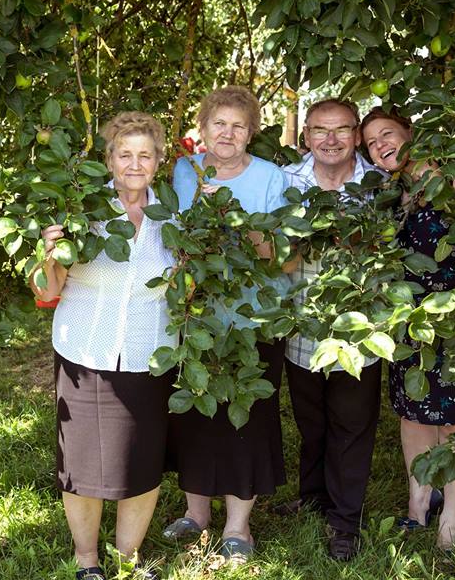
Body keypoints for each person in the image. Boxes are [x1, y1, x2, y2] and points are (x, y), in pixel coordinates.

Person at [31, 112, 176, 580]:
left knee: (143, 458)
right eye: (124, 154)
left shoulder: (171, 218)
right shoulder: (84, 214)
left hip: (149, 351)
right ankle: (87, 560)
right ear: (109, 160)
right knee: (82, 462)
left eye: (145, 155)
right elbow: (47, 290)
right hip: (85, 350)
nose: (135, 164)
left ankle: (128, 560)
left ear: (158, 162)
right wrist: (49, 254)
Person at [361, 106, 455, 551]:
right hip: (411, 318)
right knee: (413, 413)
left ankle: (453, 516)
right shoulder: (395, 188)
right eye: (370, 143)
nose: (380, 145)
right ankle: (418, 502)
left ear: (410, 133)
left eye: (386, 133)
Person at [163, 86, 289, 561]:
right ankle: (196, 514)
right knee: (194, 414)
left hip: (253, 319)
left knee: (248, 420)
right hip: (194, 315)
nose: (228, 133)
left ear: (251, 133)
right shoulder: (182, 171)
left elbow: (276, 254)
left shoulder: (271, 178)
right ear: (203, 129)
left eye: (238, 126)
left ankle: (238, 525)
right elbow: (171, 238)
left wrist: (231, 217)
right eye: (219, 124)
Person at [279, 98, 386, 562]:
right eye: (320, 130)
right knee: (312, 422)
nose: (330, 139)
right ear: (306, 136)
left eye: (341, 129)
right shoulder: (287, 183)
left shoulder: (378, 186)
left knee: (351, 426)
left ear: (357, 135)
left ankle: (345, 520)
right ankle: (314, 495)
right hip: (300, 325)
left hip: (358, 333)